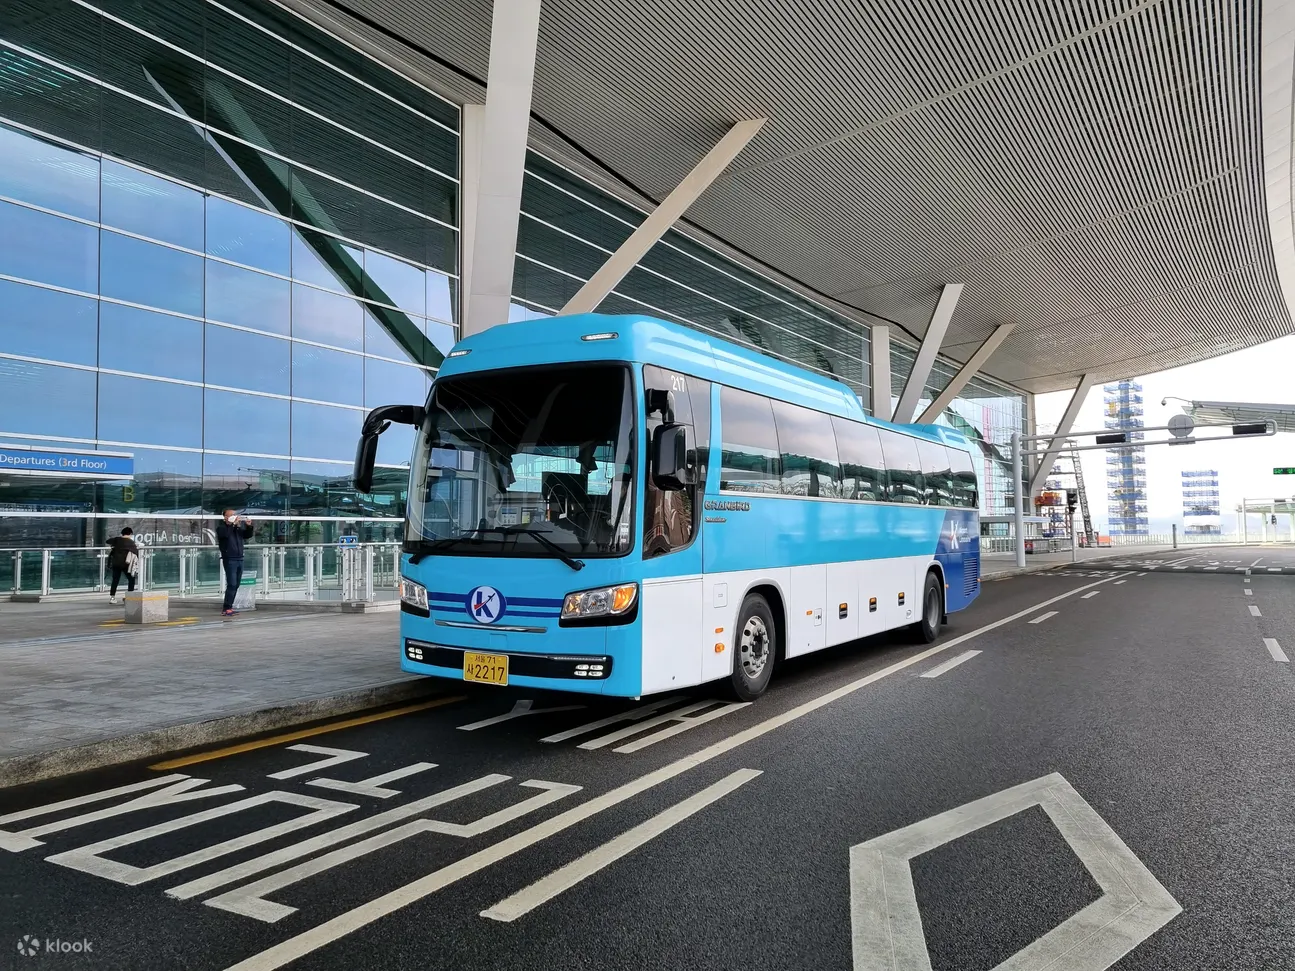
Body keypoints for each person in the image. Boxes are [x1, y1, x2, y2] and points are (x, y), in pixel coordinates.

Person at [216, 509, 254, 616]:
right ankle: (226, 608)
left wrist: (249, 526)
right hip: (229, 559)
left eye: (235, 514)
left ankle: (229, 606)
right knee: (231, 583)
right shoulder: (221, 528)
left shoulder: (237, 529)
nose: (235, 516)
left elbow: (247, 535)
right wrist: (233, 525)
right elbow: (226, 535)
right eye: (232, 515)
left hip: (239, 558)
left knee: (236, 584)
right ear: (225, 517)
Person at [106, 527, 139, 604]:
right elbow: (136, 553)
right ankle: (129, 597)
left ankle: (112, 597)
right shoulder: (131, 542)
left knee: (115, 580)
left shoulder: (117, 540)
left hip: (116, 563)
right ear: (130, 534)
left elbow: (108, 541)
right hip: (126, 564)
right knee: (131, 579)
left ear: (122, 533)